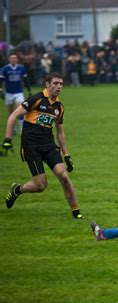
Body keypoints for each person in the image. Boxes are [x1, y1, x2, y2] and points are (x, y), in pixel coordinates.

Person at [2, 73, 84, 219]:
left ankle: (76, 212)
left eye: (61, 84)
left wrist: (66, 156)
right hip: (31, 146)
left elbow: (60, 133)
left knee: (64, 176)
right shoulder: (36, 99)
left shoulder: (59, 107)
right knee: (40, 186)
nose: (59, 87)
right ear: (47, 84)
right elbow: (13, 116)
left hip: (49, 146)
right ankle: (17, 189)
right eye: (55, 83)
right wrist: (7, 139)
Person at [0, 52, 32, 134]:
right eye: (12, 58)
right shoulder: (5, 69)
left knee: (20, 109)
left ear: (17, 59)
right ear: (9, 59)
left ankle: (22, 128)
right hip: (9, 93)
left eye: (15, 58)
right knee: (11, 112)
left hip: (19, 92)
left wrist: (29, 90)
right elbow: (1, 80)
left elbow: (25, 80)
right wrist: (0, 90)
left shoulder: (21, 68)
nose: (13, 59)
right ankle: (13, 128)